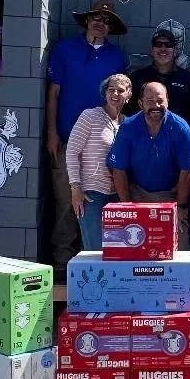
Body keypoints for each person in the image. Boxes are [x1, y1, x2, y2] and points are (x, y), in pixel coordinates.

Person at [45, 0, 129, 268]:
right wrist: (51, 131)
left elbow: (119, 99)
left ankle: (89, 260)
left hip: (101, 145)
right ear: (86, 20)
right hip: (66, 137)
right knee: (65, 201)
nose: (100, 23)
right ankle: (62, 260)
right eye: (96, 17)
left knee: (94, 202)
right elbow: (54, 92)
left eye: (106, 20)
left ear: (111, 27)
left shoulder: (118, 57)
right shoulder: (64, 49)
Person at [108, 80, 190, 249]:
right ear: (140, 103)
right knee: (131, 246)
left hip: (170, 195)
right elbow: (118, 170)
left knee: (181, 244)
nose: (155, 105)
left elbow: (187, 172)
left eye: (160, 100)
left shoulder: (181, 128)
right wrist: (127, 206)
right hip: (135, 193)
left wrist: (181, 206)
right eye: (150, 101)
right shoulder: (128, 127)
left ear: (167, 101)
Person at [65, 73, 132, 251]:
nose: (115, 94)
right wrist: (75, 188)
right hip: (91, 194)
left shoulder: (127, 124)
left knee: (115, 250)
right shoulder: (90, 116)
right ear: (105, 92)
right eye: (111, 89)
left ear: (128, 95)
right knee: (95, 251)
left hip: (117, 195)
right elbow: (72, 151)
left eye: (120, 90)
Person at [129, 27, 190, 138]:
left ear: (175, 50)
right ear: (151, 50)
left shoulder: (188, 79)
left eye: (168, 45)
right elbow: (127, 114)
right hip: (144, 141)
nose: (163, 48)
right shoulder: (137, 78)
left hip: (179, 142)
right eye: (158, 44)